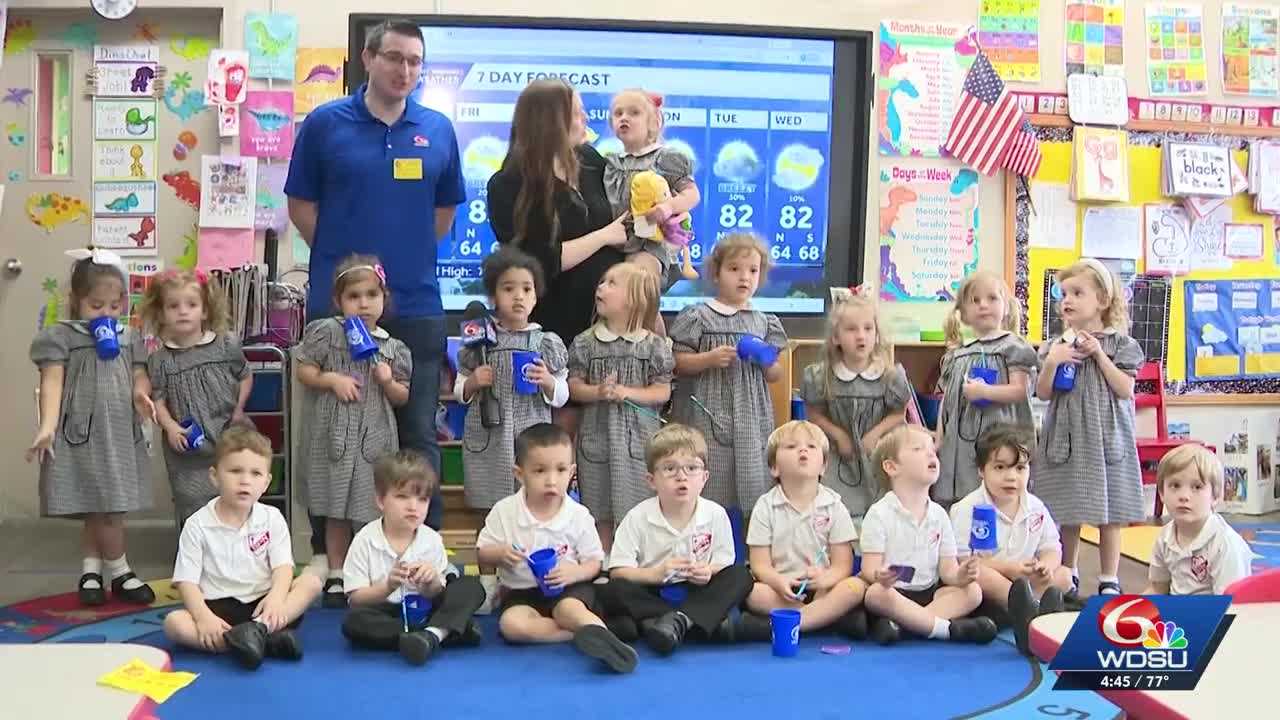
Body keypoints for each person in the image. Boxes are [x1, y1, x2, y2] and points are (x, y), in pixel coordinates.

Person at [287, 19, 462, 545]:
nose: (405, 70)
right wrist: (351, 274)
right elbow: (301, 207)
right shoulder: (324, 124)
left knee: (417, 434)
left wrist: (401, 265)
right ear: (367, 59)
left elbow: (443, 214)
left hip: (417, 305)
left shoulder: (438, 129)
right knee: (335, 431)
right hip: (339, 310)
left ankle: (421, 551)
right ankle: (336, 558)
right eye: (394, 58)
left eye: (415, 61)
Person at [486, 78, 629, 433]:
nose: (586, 120)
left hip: (604, 319)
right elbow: (539, 261)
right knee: (557, 428)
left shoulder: (591, 162)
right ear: (551, 122)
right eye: (577, 113)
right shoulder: (507, 185)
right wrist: (605, 236)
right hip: (554, 321)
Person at [27, 248, 157, 607]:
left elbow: (139, 374)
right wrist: (47, 426)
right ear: (76, 300)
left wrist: (141, 395)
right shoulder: (63, 336)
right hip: (81, 435)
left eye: (114, 306)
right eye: (96, 305)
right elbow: (52, 381)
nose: (107, 314)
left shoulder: (129, 337)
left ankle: (91, 571)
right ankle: (121, 571)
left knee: (107, 505)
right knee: (98, 505)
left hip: (119, 433)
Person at [475, 423, 637, 674]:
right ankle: (582, 634)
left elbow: (594, 562)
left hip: (569, 589)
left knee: (568, 610)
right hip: (521, 592)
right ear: (520, 474)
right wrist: (500, 553)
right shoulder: (505, 511)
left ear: (572, 472)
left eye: (561, 470)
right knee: (511, 626)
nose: (551, 481)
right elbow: (483, 551)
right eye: (540, 471)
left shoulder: (578, 515)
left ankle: (602, 638)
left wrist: (575, 573)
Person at [296, 256, 412, 607]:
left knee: (368, 507)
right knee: (336, 509)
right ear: (338, 301)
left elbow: (402, 396)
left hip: (374, 436)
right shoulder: (328, 333)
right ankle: (337, 572)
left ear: (384, 298)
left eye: (371, 295)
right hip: (334, 435)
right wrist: (332, 379)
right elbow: (304, 370)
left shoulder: (394, 348)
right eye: (354, 296)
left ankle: (366, 573)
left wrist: (388, 382)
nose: (363, 303)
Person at [163, 427, 323, 670]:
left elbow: (282, 568)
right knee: (174, 623)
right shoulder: (197, 524)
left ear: (266, 482)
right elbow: (187, 582)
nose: (245, 480)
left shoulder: (272, 517)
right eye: (235, 471)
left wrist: (276, 599)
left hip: (263, 607)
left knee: (311, 582)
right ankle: (257, 642)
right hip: (218, 610)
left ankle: (257, 633)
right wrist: (204, 618)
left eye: (255, 473)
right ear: (215, 476)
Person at [599, 424, 760, 655]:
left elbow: (724, 564)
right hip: (653, 590)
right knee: (611, 590)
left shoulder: (715, 514)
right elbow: (618, 571)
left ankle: (672, 622)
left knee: (740, 576)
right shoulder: (637, 517)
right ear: (651, 480)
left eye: (692, 468)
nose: (682, 476)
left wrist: (707, 571)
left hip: (699, 590)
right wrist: (655, 574)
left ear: (704, 478)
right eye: (669, 469)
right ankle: (700, 625)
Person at [1035, 258, 1144, 598]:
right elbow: (1043, 393)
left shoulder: (1121, 345)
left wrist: (1099, 355)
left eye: (1077, 293)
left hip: (1107, 436)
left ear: (1102, 300)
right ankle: (1068, 571)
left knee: (1111, 511)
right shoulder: (1055, 346)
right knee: (1068, 508)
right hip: (1067, 437)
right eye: (1064, 294)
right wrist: (1052, 362)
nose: (1067, 300)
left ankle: (1109, 576)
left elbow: (1125, 389)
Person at [669, 232, 786, 516]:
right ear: (716, 273)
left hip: (750, 419)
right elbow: (677, 363)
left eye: (753, 270)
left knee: (751, 484)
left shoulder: (764, 322)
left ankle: (746, 539)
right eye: (734, 269)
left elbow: (775, 374)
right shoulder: (698, 316)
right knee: (709, 481)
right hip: (707, 415)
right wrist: (707, 359)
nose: (744, 277)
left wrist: (766, 360)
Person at [341, 451, 486, 666]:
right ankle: (443, 631)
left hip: (427, 608)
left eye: (422, 499)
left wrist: (431, 583)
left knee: (472, 587)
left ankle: (432, 634)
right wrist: (387, 587)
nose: (413, 506)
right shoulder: (364, 540)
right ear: (381, 500)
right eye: (402, 497)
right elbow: (356, 600)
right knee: (353, 623)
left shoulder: (431, 539)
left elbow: (437, 593)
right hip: (388, 613)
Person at [859, 425, 998, 646]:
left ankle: (908, 625)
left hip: (929, 594)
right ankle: (947, 630)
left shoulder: (939, 515)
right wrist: (881, 575)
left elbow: (948, 571)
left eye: (932, 450)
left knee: (973, 591)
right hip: (894, 593)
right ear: (891, 467)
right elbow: (869, 569)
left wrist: (962, 574)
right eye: (918, 449)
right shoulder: (879, 514)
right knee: (875, 594)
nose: (931, 454)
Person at [568, 262, 673, 547]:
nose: (601, 287)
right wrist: (598, 392)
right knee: (598, 506)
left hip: (639, 439)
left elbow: (662, 391)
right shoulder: (586, 343)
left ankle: (635, 562)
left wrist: (627, 393)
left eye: (612, 283)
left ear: (634, 298)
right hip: (597, 437)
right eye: (602, 281)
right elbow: (574, 387)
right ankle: (601, 561)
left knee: (640, 507)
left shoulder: (653, 346)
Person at [456, 247, 569, 510]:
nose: (519, 296)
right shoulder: (480, 342)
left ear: (536, 297)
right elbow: (460, 390)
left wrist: (548, 382)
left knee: (532, 505)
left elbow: (562, 395)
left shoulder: (545, 343)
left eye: (527, 289)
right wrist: (473, 382)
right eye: (508, 289)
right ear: (493, 296)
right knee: (489, 509)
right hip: (490, 438)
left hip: (532, 438)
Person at [141, 269, 252, 528]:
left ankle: (234, 547)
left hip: (228, 436)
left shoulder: (225, 345)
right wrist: (170, 427)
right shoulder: (160, 360)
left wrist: (238, 409)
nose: (183, 311)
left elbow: (245, 376)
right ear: (161, 313)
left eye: (191, 305)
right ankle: (194, 549)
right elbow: (158, 401)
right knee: (192, 506)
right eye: (173, 306)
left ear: (204, 310)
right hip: (187, 450)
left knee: (234, 498)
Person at [949, 423, 1071, 656]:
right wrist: (1010, 568)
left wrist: (1045, 566)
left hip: (1026, 579)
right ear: (981, 470)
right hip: (990, 585)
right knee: (980, 574)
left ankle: (1032, 611)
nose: (1011, 477)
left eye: (1020, 468)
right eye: (1000, 467)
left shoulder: (1035, 506)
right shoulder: (968, 508)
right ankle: (1028, 613)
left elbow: (1052, 547)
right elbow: (962, 560)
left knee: (1064, 575)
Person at [744, 421, 869, 639]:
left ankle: (792, 623)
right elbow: (760, 565)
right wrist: (778, 581)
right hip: (781, 590)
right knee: (752, 593)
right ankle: (827, 619)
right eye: (791, 446)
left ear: (823, 466)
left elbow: (843, 565)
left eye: (811, 446)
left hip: (823, 590)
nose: (803, 450)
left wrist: (826, 578)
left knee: (855, 587)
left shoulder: (834, 505)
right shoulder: (765, 506)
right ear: (774, 467)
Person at [802, 287, 910, 521]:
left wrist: (875, 434)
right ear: (836, 337)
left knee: (881, 508)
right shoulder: (823, 377)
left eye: (868, 329)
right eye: (851, 329)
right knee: (838, 509)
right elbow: (814, 414)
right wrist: (839, 435)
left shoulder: (889, 376)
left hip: (878, 451)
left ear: (877, 334)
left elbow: (898, 413)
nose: (861, 336)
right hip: (840, 455)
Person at [935, 270, 1037, 504]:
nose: (983, 305)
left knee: (998, 497)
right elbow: (947, 402)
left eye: (992, 298)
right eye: (975, 300)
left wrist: (985, 392)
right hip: (960, 444)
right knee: (965, 499)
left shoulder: (1012, 347)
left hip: (1000, 437)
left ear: (1006, 307)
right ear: (963, 313)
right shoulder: (958, 354)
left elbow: (1020, 390)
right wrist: (940, 437)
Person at [602, 88, 701, 284]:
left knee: (638, 281)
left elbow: (692, 194)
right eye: (618, 113)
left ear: (654, 122)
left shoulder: (663, 159)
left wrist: (668, 207)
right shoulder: (612, 163)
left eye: (634, 113)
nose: (624, 117)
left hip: (650, 244)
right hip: (616, 243)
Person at [1144, 444, 1252, 596]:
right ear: (1162, 493)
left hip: (1216, 609)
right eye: (1175, 485)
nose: (1184, 496)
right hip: (1176, 609)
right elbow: (1157, 589)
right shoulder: (1165, 537)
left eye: (1196, 487)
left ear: (1215, 496)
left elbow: (1230, 603)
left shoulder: (1224, 544)